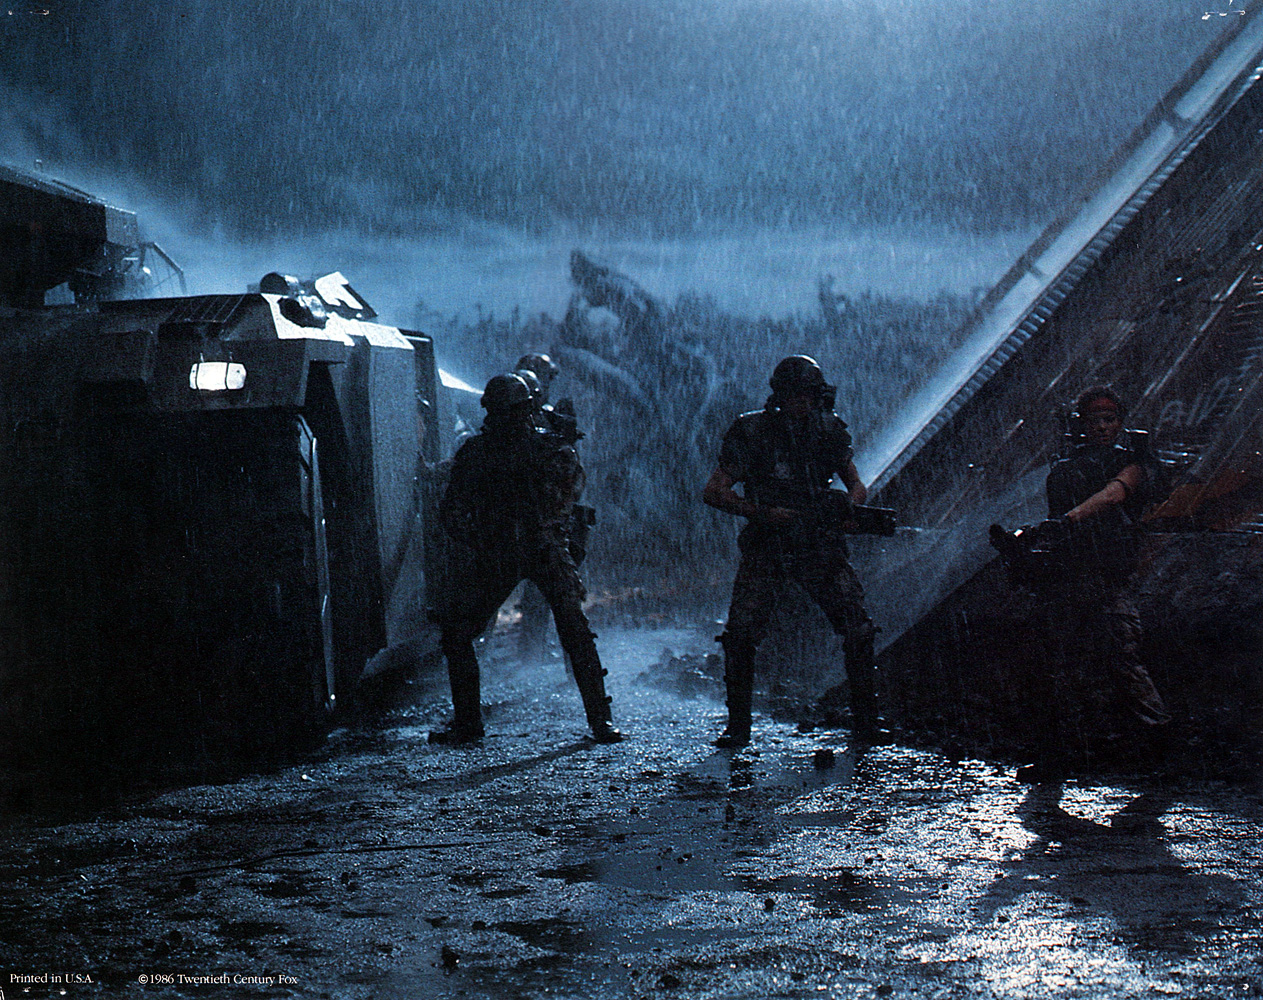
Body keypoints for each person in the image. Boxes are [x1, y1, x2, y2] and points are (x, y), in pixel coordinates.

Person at [430, 372, 622, 744]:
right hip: (517, 549)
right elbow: (454, 511)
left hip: (527, 547)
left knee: (572, 630)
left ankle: (599, 721)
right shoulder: (529, 449)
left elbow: (454, 513)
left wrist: (482, 537)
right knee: (462, 632)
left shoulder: (517, 450)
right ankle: (599, 722)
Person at [702, 355, 884, 747]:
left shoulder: (828, 430)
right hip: (769, 543)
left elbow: (856, 485)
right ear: (780, 395)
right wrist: (762, 513)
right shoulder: (753, 431)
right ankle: (738, 726)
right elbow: (714, 491)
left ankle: (867, 722)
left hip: (818, 542)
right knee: (741, 634)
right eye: (795, 394)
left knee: (857, 627)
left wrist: (843, 509)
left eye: (809, 395)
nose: (803, 402)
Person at [1001, 386, 1171, 781]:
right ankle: (1056, 756)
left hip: (1106, 577)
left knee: (1123, 662)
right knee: (1054, 667)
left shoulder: (1131, 463)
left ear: (1120, 423)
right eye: (1095, 421)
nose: (1103, 427)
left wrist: (1067, 521)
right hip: (1068, 576)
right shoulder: (1066, 468)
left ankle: (1160, 751)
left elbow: (1113, 495)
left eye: (1110, 420)